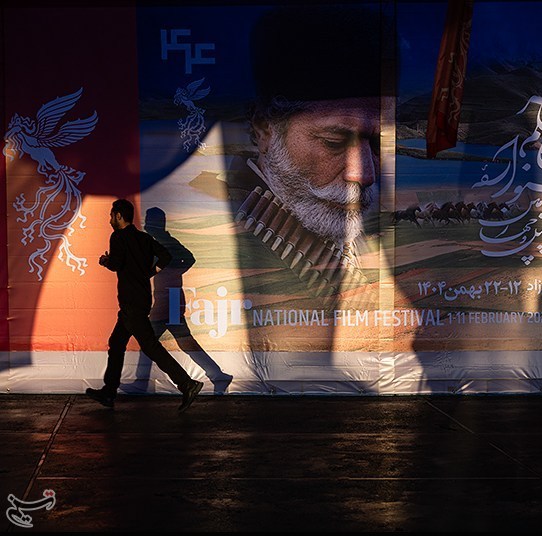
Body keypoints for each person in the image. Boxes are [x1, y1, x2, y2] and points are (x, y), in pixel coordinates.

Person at [235, 6, 381, 302]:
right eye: (334, 142)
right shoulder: (238, 229)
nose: (365, 175)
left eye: (377, 144)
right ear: (265, 129)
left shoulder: (346, 220)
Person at [86, 199, 203, 411]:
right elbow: (166, 256)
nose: (110, 219)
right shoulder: (145, 239)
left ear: (119, 216)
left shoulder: (118, 237)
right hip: (140, 300)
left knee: (150, 346)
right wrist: (152, 271)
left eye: (112, 215)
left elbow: (117, 264)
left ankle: (187, 384)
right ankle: (109, 392)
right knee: (117, 342)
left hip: (131, 302)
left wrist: (105, 261)